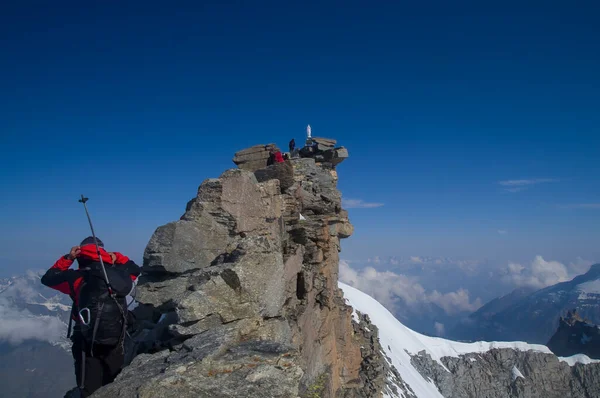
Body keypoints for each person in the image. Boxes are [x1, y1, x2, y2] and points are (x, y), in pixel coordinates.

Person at [41, 237, 141, 397]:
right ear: (102, 252)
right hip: (115, 338)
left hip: (85, 339)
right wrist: (116, 256)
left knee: (89, 385)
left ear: (81, 253)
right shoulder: (120, 277)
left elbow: (48, 279)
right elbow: (135, 269)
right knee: (115, 381)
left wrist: (68, 258)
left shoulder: (74, 278)